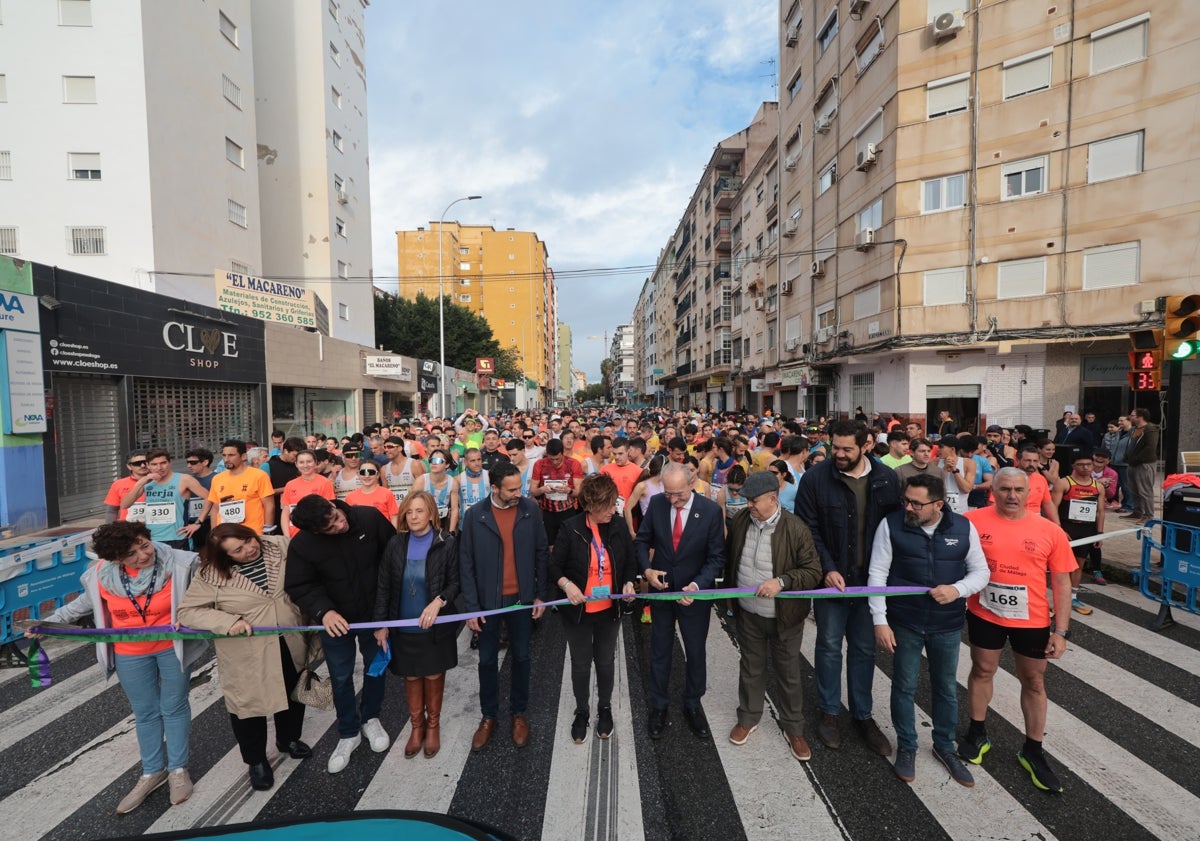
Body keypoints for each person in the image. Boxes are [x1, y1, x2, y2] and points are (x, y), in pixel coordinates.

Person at [27, 522, 204, 812]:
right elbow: (81, 606)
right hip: (129, 652)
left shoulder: (181, 564)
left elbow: (206, 596)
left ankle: (178, 769)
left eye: (144, 545)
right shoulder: (101, 576)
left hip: (172, 648)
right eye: (131, 554)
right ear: (115, 559)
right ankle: (151, 771)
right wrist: (46, 624)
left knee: (174, 706)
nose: (143, 556)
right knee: (145, 712)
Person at [959, 468, 1076, 793]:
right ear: (993, 491)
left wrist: (1061, 631)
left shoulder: (1049, 531)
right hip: (985, 613)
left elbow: (1062, 582)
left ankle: (1033, 749)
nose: (1012, 495)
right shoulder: (972, 521)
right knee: (982, 669)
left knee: (1034, 681)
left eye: (1018, 490)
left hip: (1033, 619)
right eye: (1005, 489)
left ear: (1030, 493)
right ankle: (977, 732)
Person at [869, 474, 989, 786]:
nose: (908, 507)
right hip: (905, 621)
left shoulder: (963, 527)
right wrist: (879, 620)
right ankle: (907, 746)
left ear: (938, 504)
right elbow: (878, 573)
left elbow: (981, 571)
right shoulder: (892, 524)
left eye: (916, 503)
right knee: (905, 685)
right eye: (905, 500)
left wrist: (958, 589)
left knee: (946, 687)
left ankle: (944, 746)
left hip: (946, 623)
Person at [794, 419, 900, 757]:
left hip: (870, 583)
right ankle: (829, 711)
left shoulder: (886, 478)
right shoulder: (814, 479)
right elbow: (808, 528)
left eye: (846, 449)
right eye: (834, 447)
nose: (838, 454)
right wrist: (827, 568)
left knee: (864, 650)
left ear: (866, 445)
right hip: (833, 584)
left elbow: (894, 529)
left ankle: (863, 715)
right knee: (827, 646)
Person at [178, 524, 310, 791]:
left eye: (248, 540)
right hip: (247, 651)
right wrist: (228, 621)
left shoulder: (280, 546)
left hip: (290, 637)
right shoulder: (210, 575)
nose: (250, 549)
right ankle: (256, 760)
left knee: (294, 691)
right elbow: (187, 611)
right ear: (225, 557)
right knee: (247, 707)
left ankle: (289, 739)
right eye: (238, 550)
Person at [284, 495, 396, 773]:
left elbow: (394, 559)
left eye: (336, 516)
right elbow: (299, 585)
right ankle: (348, 731)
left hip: (374, 614)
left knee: (376, 667)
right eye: (330, 527)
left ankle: (371, 717)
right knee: (341, 675)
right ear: (315, 531)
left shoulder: (368, 517)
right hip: (336, 620)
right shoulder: (303, 544)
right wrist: (324, 611)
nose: (339, 524)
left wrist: (387, 614)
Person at [723, 470, 823, 761]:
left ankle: (794, 728)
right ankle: (748, 718)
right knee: (751, 667)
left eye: (753, 501)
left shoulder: (795, 528)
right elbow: (731, 557)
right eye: (746, 500)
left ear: (773, 498)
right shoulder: (742, 521)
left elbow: (812, 571)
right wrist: (731, 597)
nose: (748, 506)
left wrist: (782, 582)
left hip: (784, 617)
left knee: (788, 673)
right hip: (748, 613)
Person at [459, 461, 550, 751]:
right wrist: (472, 607)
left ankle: (518, 713)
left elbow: (540, 553)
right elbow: (466, 564)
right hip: (488, 604)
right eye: (511, 489)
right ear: (494, 488)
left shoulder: (529, 509)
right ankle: (489, 716)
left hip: (522, 600)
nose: (518, 493)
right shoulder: (475, 516)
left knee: (522, 656)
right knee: (486, 660)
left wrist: (540, 595)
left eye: (519, 487)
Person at [635, 461, 725, 740]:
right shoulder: (659, 505)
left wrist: (697, 585)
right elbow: (642, 541)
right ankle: (659, 705)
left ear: (692, 483)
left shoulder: (710, 511)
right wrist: (647, 570)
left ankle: (692, 703)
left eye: (679, 494)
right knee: (660, 649)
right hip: (662, 591)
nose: (673, 500)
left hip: (694, 594)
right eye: (668, 493)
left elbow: (716, 558)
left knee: (695, 651)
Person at [548, 474, 638, 744]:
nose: (613, 510)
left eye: (614, 504)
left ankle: (605, 707)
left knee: (606, 660)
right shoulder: (570, 527)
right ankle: (582, 710)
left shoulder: (618, 525)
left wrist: (630, 583)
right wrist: (566, 585)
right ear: (590, 505)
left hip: (610, 609)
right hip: (578, 611)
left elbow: (630, 561)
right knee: (580, 662)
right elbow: (553, 565)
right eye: (608, 505)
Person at [373, 491, 461, 760]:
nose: (413, 516)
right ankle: (416, 727)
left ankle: (432, 726)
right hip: (403, 627)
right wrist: (380, 624)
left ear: (432, 514)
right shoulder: (395, 544)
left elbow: (456, 582)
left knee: (434, 674)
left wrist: (439, 601)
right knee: (411, 676)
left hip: (435, 627)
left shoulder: (446, 543)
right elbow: (384, 586)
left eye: (420, 511)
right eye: (409, 512)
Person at [121, 449, 209, 549]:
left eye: (163, 463)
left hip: (178, 537)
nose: (159, 468)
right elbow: (125, 504)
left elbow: (209, 497)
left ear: (170, 462)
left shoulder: (184, 479)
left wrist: (198, 522)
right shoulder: (147, 483)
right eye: (154, 464)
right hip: (153, 538)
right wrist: (143, 481)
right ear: (148, 465)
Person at [1053, 451, 1104, 616]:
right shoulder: (1064, 483)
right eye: (1081, 464)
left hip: (1086, 530)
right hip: (1067, 529)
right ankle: (1058, 597)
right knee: (1061, 566)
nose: (1086, 468)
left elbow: (1101, 512)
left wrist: (1100, 533)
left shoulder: (1098, 486)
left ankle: (1073, 597)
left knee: (1078, 564)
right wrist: (1059, 529)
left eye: (1089, 464)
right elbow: (1052, 507)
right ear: (1073, 466)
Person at [198, 440, 277, 535]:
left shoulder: (259, 475)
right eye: (224, 455)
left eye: (231, 455)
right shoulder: (217, 479)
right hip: (225, 535)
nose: (226, 459)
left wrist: (267, 531)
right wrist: (215, 534)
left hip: (252, 533)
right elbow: (215, 509)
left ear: (243, 456)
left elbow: (269, 505)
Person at [531, 438, 583, 548]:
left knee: (569, 544)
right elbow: (533, 490)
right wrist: (542, 489)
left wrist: (569, 490)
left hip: (568, 510)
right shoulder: (539, 464)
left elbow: (578, 492)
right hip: (548, 511)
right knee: (551, 545)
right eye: (551, 459)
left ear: (563, 453)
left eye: (558, 459)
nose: (555, 462)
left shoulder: (574, 464)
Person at [279, 451, 336, 537]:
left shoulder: (325, 483)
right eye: (301, 462)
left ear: (315, 463)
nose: (305, 465)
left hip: (317, 534)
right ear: (296, 464)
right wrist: (286, 536)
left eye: (309, 461)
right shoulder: (290, 485)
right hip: (293, 535)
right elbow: (285, 512)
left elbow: (330, 509)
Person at [1123, 408, 1159, 525]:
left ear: (1140, 417)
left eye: (1133, 415)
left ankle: (1148, 515)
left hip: (1144, 464)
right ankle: (1137, 511)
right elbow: (1130, 444)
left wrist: (1136, 459)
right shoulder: (1134, 429)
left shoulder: (1150, 429)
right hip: (1132, 464)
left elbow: (1150, 448)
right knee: (1134, 489)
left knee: (1145, 490)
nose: (1130, 417)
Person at [344, 457, 400, 530]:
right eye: (363, 473)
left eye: (371, 472)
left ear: (377, 475)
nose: (367, 476)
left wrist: (394, 536)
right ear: (358, 474)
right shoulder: (350, 497)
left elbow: (394, 517)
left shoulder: (387, 493)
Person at [413, 448, 460, 532]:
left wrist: (451, 532)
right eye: (431, 460)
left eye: (438, 460)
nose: (434, 463)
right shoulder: (421, 481)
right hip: (423, 522)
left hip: (443, 522)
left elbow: (454, 509)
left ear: (447, 465)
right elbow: (412, 505)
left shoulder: (453, 483)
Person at [104, 450, 149, 522]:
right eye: (137, 463)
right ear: (129, 466)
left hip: (156, 528)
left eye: (145, 462)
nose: (142, 465)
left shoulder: (160, 481)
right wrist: (110, 531)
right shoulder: (118, 484)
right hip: (128, 529)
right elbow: (112, 511)